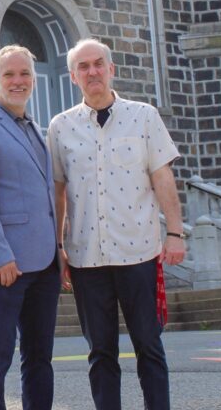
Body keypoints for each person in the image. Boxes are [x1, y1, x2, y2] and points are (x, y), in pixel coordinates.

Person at [47, 38, 186, 410]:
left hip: (138, 251)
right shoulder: (60, 128)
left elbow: (163, 178)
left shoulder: (144, 117)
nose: (92, 71)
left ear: (111, 69)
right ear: (74, 77)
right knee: (101, 353)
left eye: (98, 64)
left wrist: (174, 233)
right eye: (83, 67)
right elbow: (58, 193)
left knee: (149, 346)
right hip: (86, 258)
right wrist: (58, 247)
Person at [0, 44, 62, 410]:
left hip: (44, 264)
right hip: (4, 266)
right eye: (9, 75)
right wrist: (0, 254)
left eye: (24, 74)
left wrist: (60, 253)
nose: (18, 81)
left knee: (39, 359)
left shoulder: (36, 128)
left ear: (33, 80)